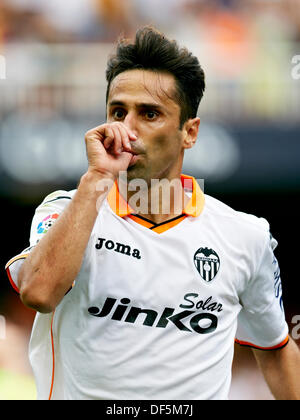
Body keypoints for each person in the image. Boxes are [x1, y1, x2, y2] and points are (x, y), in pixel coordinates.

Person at [5, 26, 300, 400]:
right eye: (118, 111)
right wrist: (98, 177)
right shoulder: (65, 209)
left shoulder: (246, 236)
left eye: (149, 114)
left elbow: (275, 351)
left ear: (189, 133)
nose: (127, 129)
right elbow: (39, 292)